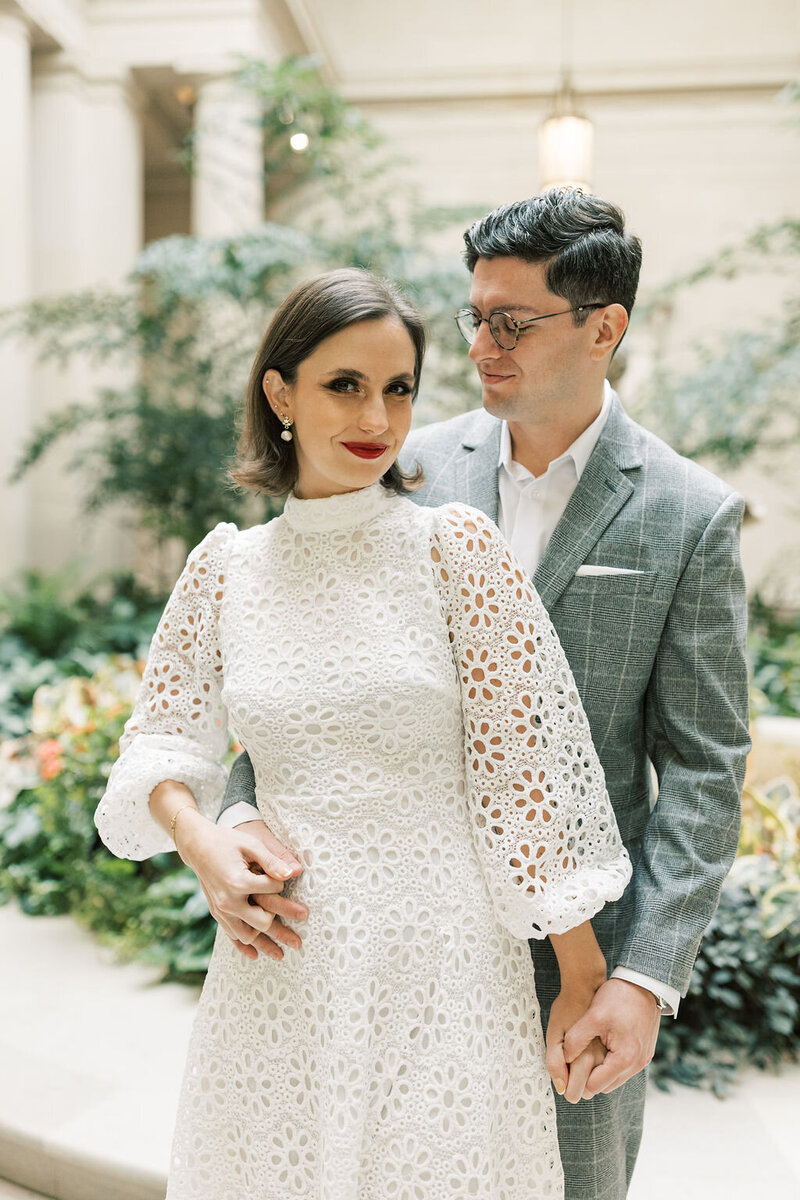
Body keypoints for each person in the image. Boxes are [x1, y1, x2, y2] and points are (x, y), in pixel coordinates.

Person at [216, 193, 751, 1199]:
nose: (482, 345)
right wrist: (232, 816)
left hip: (578, 971)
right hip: (386, 958)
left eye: (512, 321)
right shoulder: (401, 464)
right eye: (475, 316)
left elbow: (703, 766)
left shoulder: (688, 515)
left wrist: (639, 980)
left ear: (603, 329)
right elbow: (289, 666)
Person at [95, 266, 633, 1200]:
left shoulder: (453, 551)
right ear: (281, 393)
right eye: (345, 384)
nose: (377, 417)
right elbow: (159, 750)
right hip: (282, 975)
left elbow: (523, 782)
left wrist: (584, 978)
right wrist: (205, 842)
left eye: (398, 388)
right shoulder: (226, 570)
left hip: (445, 966)